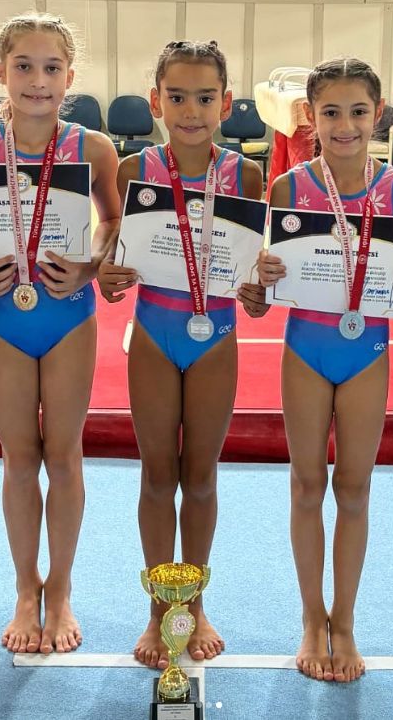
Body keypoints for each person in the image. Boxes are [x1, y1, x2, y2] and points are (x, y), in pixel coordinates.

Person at [253, 58, 393, 683]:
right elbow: (263, 288)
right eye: (330, 112)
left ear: (377, 114)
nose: (345, 125)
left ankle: (346, 622)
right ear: (310, 116)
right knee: (307, 486)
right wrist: (263, 275)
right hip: (306, 349)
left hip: (367, 354)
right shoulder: (288, 188)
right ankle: (311, 618)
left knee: (353, 490)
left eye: (358, 112)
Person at [0, 14, 120, 656]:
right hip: (3, 319)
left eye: (52, 68)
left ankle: (62, 587)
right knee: (19, 457)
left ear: (70, 77)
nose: (37, 80)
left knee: (64, 455)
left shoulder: (92, 148)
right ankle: (27, 588)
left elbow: (112, 221)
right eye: (23, 66)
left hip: (68, 314)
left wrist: (90, 264)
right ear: (1, 71)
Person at [97, 41, 266, 668]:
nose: (191, 111)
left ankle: (193, 603)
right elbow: (114, 249)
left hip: (216, 335)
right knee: (156, 474)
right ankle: (156, 609)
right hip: (153, 332)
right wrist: (109, 274)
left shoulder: (247, 177)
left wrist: (258, 293)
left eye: (204, 98)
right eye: (177, 97)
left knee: (200, 476)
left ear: (226, 102)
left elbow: (253, 272)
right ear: (155, 101)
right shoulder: (132, 169)